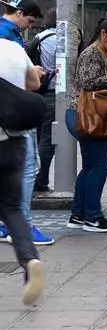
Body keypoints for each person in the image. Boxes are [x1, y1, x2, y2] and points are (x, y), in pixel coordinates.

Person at [65, 19, 107, 233]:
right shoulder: (91, 53)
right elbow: (89, 83)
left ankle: (79, 215)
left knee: (90, 166)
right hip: (86, 115)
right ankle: (93, 217)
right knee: (100, 163)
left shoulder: (99, 53)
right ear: (104, 33)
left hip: (84, 115)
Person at [0, 0, 54, 246]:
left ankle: (5, 223)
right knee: (28, 167)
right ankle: (23, 224)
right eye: (29, 20)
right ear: (20, 13)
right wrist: (35, 72)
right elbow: (27, 81)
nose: (29, 27)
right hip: (16, 110)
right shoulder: (10, 40)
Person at [0, 34, 46, 305]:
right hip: (13, 140)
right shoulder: (13, 48)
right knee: (12, 207)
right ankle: (30, 260)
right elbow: (34, 83)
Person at [31, 26, 58, 193]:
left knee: (38, 136)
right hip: (53, 93)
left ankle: (35, 178)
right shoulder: (60, 40)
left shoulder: (38, 37)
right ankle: (40, 180)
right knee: (47, 139)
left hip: (36, 91)